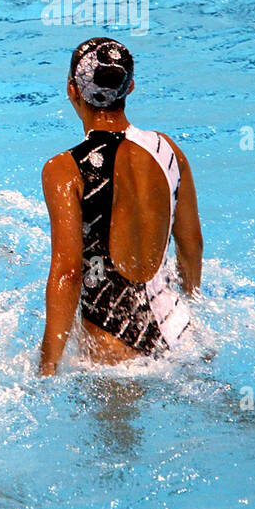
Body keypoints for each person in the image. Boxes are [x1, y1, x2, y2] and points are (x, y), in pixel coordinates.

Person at [39, 38, 202, 373]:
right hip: (177, 330)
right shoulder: (167, 150)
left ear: (72, 90)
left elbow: (69, 272)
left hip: (114, 346)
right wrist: (192, 299)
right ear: (130, 87)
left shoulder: (64, 169)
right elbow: (191, 245)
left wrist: (47, 364)